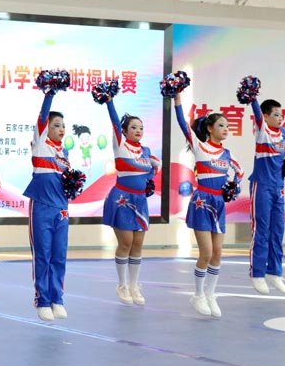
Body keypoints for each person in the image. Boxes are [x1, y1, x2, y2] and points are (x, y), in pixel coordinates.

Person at [174, 93, 243, 317]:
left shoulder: (227, 153)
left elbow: (240, 172)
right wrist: (177, 101)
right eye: (221, 125)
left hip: (218, 203)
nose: (226, 129)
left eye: (228, 126)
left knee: (218, 253)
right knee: (206, 252)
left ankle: (211, 294)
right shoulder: (199, 146)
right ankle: (198, 295)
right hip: (202, 201)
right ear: (210, 128)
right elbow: (183, 124)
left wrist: (234, 186)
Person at [101, 97, 161, 305]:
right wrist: (109, 101)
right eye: (133, 127)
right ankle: (122, 285)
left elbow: (155, 165)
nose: (138, 131)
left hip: (140, 201)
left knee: (138, 244)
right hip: (121, 199)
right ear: (124, 131)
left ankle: (134, 285)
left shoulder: (146, 151)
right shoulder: (121, 145)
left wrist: (150, 176)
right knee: (125, 243)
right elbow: (114, 120)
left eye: (141, 128)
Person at [23, 91, 71, 321]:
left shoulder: (65, 152)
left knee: (59, 255)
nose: (61, 129)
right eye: (56, 125)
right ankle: (42, 300)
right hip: (41, 206)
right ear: (46, 128)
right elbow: (42, 116)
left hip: (61, 209)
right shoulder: (40, 143)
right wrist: (50, 93)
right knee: (42, 254)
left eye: (63, 125)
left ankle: (57, 299)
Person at [247, 98, 285, 295]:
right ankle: (257, 274)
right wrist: (253, 96)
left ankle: (274, 272)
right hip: (262, 185)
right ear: (265, 117)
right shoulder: (262, 130)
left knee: (278, 230)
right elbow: (256, 111)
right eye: (276, 115)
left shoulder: (284, 133)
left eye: (282, 115)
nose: (280, 118)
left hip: (278, 187)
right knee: (261, 230)